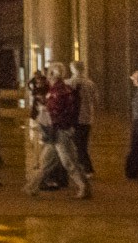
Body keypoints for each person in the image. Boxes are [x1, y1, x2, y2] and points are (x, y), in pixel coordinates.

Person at [23, 62, 90, 199]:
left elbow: (57, 112)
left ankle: (84, 187)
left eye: (49, 73)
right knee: (47, 162)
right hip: (56, 131)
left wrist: (45, 108)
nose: (47, 76)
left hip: (59, 131)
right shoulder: (59, 89)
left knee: (68, 162)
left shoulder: (59, 91)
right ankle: (32, 187)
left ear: (54, 74)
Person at [68, 61, 98, 175]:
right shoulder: (90, 83)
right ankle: (83, 168)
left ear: (72, 69)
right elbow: (96, 101)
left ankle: (85, 168)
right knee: (83, 144)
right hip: (87, 118)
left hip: (73, 118)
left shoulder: (69, 83)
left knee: (76, 145)